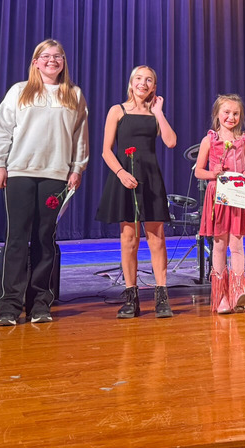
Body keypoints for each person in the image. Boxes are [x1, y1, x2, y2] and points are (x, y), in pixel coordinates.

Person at [0, 39, 90, 326]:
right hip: (19, 171)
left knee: (45, 239)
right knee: (17, 239)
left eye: (58, 56)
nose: (52, 61)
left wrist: (77, 168)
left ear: (63, 62)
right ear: (35, 61)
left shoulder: (74, 94)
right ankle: (8, 306)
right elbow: (2, 129)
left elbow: (81, 137)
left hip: (56, 175)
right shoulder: (19, 92)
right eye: (46, 56)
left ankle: (40, 304)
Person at [96, 65, 178, 319]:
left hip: (150, 179)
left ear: (154, 86)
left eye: (149, 80)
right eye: (139, 79)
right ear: (131, 83)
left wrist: (159, 112)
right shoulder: (117, 111)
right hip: (125, 178)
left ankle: (161, 295)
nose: (143, 83)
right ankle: (131, 296)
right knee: (129, 240)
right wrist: (121, 173)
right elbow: (106, 150)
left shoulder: (155, 114)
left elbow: (171, 141)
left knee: (157, 239)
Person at [194, 94, 245, 314]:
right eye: (227, 113)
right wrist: (213, 173)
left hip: (238, 195)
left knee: (237, 245)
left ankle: (238, 292)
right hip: (218, 197)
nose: (231, 117)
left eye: (235, 113)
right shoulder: (209, 140)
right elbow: (198, 172)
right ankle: (220, 296)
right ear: (217, 115)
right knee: (219, 245)